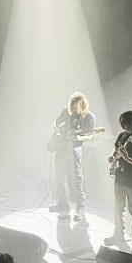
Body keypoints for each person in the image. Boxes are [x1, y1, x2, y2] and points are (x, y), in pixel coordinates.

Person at [48, 91, 97, 221]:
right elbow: (55, 124)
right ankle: (63, 203)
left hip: (75, 149)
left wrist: (78, 136)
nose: (74, 110)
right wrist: (58, 132)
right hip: (61, 148)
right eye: (72, 107)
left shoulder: (89, 117)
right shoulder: (66, 112)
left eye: (76, 107)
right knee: (59, 176)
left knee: (76, 179)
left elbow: (91, 135)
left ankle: (80, 207)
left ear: (83, 106)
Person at [105, 109, 132, 251]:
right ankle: (118, 235)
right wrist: (113, 157)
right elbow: (116, 150)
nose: (123, 126)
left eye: (126, 123)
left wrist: (126, 158)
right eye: (122, 123)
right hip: (119, 178)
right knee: (118, 208)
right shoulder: (121, 136)